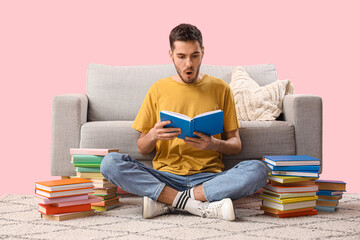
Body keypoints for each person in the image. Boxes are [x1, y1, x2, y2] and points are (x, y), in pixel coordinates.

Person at [100, 23, 268, 221]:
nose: (189, 64)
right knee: (110, 163)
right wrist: (153, 135)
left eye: (194, 55)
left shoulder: (221, 88)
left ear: (203, 53)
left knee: (258, 170)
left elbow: (235, 144)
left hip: (209, 178)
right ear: (171, 54)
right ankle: (195, 204)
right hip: (165, 177)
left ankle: (169, 202)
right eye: (181, 56)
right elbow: (142, 148)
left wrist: (214, 144)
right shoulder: (158, 89)